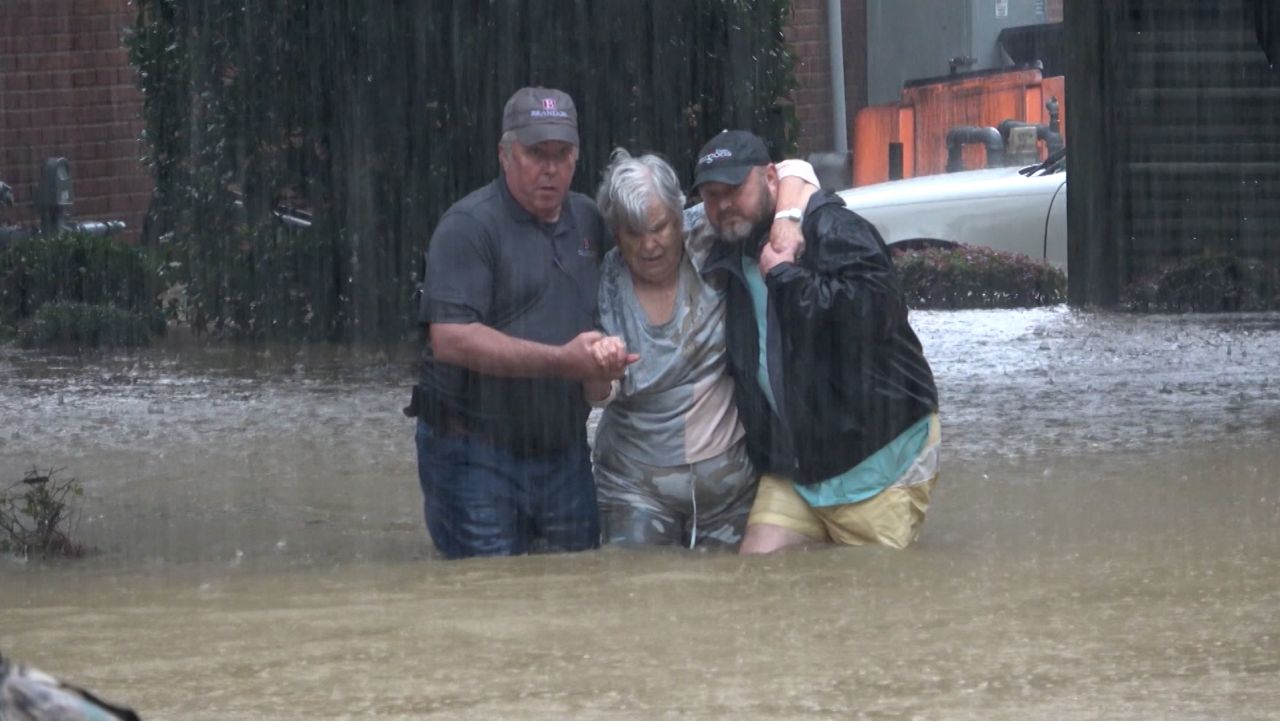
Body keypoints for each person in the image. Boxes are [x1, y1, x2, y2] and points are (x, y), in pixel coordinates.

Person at [404, 86, 634, 560]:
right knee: (490, 600)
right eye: (535, 153)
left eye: (561, 154)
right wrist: (563, 362)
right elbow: (450, 339)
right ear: (505, 154)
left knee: (578, 584)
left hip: (562, 451)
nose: (550, 169)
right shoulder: (468, 227)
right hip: (472, 453)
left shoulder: (589, 220)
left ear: (576, 156)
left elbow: (658, 235)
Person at [691, 130, 941, 554]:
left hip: (881, 457)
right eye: (711, 196)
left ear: (770, 178)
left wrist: (786, 279)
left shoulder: (833, 228)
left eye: (734, 189)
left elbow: (873, 314)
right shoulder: (726, 247)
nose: (723, 204)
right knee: (757, 574)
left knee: (871, 604)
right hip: (798, 469)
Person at [587, 148, 818, 549]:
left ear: (680, 217)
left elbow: (795, 171)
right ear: (616, 234)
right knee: (632, 593)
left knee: (734, 600)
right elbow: (599, 397)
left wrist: (786, 221)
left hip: (729, 491)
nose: (649, 246)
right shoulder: (604, 284)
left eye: (659, 228)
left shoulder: (706, 233)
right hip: (633, 486)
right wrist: (598, 368)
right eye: (633, 233)